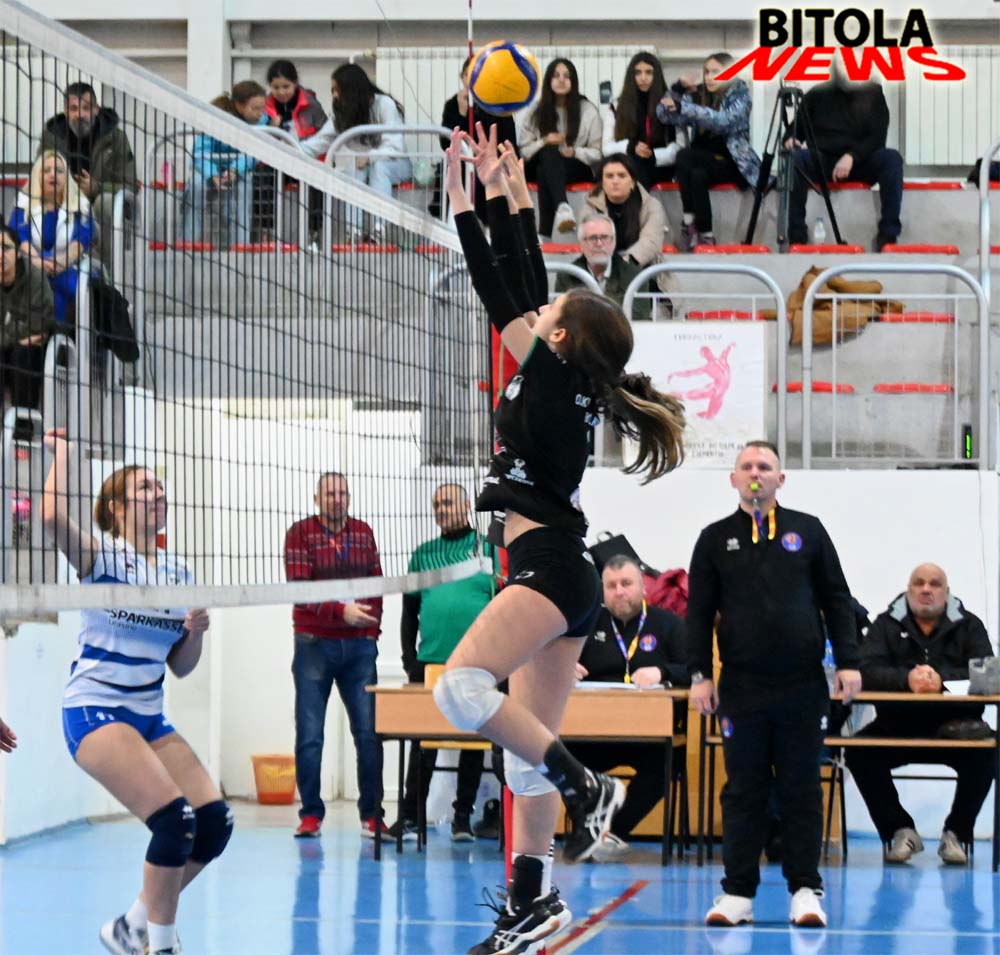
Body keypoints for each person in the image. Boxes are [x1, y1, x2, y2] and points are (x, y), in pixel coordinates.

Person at [439, 123, 686, 954]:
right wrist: (506, 188)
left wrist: (465, 201)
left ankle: (585, 785)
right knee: (520, 755)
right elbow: (524, 284)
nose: (540, 308)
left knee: (460, 690)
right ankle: (534, 900)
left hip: (548, 565)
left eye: (549, 316)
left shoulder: (548, 375)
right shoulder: (560, 377)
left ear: (558, 340)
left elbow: (499, 282)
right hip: (566, 571)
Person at [41, 430, 231, 955]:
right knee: (175, 821)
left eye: (159, 487)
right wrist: (66, 456)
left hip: (148, 714)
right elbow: (51, 518)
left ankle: (130, 925)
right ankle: (159, 946)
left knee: (213, 823)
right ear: (117, 507)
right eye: (144, 487)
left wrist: (195, 633)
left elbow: (181, 667)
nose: (158, 493)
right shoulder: (103, 557)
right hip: (96, 709)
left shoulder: (178, 572)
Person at [686, 440, 862, 929]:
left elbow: (837, 599)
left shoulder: (809, 531)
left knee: (801, 787)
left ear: (780, 479)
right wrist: (700, 674)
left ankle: (805, 890)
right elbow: (697, 614)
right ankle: (737, 893)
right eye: (746, 466)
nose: (755, 473)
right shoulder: (714, 538)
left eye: (765, 466)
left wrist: (848, 662)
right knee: (744, 790)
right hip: (742, 687)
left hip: (802, 685)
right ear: (733, 479)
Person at [846, 563, 995, 866]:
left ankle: (956, 834)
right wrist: (908, 680)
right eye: (919, 583)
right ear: (909, 590)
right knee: (858, 751)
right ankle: (900, 830)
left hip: (957, 728)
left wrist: (941, 681)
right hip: (895, 726)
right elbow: (866, 670)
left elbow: (986, 675)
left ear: (946, 592)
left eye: (935, 584)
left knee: (989, 752)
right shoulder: (885, 625)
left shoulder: (970, 625)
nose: (927, 589)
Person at [388, 483, 496, 843]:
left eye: (447, 502)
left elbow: (503, 605)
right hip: (430, 664)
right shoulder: (424, 554)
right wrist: (409, 660)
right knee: (423, 743)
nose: (441, 509)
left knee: (472, 741)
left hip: (477, 664)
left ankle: (462, 817)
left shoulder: (488, 550)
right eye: (436, 504)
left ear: (466, 506)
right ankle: (410, 816)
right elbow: (409, 612)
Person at [284, 471, 386, 840]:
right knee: (311, 734)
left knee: (369, 733)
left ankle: (372, 816)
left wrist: (371, 630)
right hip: (314, 643)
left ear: (349, 497)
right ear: (317, 499)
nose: (337, 499)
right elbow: (301, 590)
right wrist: (341, 612)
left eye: (342, 493)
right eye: (330, 494)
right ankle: (311, 814)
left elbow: (377, 583)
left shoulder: (363, 532)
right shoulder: (300, 533)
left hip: (360, 647)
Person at [568, 554, 689, 860]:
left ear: (643, 587)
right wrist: (565, 668)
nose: (619, 592)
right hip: (590, 734)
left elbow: (694, 670)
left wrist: (663, 672)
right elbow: (551, 660)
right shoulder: (586, 624)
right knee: (556, 756)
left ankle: (615, 833)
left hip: (648, 738)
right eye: (611, 586)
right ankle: (587, 829)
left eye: (626, 583)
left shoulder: (668, 625)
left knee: (667, 762)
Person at [787, 67, 903, 252]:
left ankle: (888, 234)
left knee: (892, 159)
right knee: (796, 159)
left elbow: (877, 137)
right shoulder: (817, 94)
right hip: (824, 161)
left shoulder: (873, 94)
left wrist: (852, 156)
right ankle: (797, 236)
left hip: (861, 162)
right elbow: (795, 130)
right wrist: (790, 139)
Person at [657, 53, 761, 250]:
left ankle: (688, 222)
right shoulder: (697, 95)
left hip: (732, 162)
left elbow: (724, 122)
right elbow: (663, 116)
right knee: (697, 176)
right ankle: (706, 235)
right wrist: (677, 89)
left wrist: (685, 107)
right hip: (702, 162)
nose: (710, 77)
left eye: (717, 72)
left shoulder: (741, 94)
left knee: (684, 155)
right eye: (707, 72)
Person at [300, 64, 411, 243]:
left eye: (338, 90)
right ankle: (353, 232)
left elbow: (395, 146)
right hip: (360, 166)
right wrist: (288, 148)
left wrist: (370, 157)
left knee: (379, 167)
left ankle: (379, 230)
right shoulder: (342, 113)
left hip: (395, 164)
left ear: (352, 90)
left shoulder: (384, 104)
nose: (335, 95)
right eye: (333, 90)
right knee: (353, 169)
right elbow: (319, 142)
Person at [38, 82, 138, 267]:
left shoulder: (116, 138)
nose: (80, 115)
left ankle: (108, 274)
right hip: (62, 204)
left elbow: (131, 185)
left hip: (101, 210)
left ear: (96, 110)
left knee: (104, 202)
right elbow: (38, 178)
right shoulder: (51, 137)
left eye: (86, 108)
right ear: (65, 111)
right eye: (74, 109)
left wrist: (97, 187)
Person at [9, 150, 93, 328]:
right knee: (47, 287)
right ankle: (57, 336)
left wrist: (61, 261)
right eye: (46, 170)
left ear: (67, 177)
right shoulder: (23, 204)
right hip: (32, 270)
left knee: (70, 289)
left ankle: (61, 335)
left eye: (59, 171)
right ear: (37, 175)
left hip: (69, 267)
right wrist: (38, 262)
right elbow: (20, 238)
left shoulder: (81, 205)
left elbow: (81, 240)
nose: (53, 175)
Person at [519, 58, 602, 237]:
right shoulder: (536, 111)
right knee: (547, 154)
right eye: (556, 76)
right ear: (549, 80)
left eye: (567, 76)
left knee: (544, 171)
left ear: (574, 81)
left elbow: (597, 153)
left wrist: (575, 152)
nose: (561, 80)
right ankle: (563, 207)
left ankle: (544, 234)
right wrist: (544, 141)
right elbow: (524, 151)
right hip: (541, 162)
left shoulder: (587, 110)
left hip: (575, 165)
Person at [431, 54, 519, 222]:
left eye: (478, 74)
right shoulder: (453, 104)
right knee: (451, 167)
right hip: (465, 161)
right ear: (462, 77)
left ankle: (486, 219)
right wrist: (462, 114)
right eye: (468, 75)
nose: (473, 80)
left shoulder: (499, 104)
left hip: (492, 162)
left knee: (488, 171)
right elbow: (446, 143)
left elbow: (508, 142)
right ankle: (453, 219)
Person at [182, 81, 268, 248]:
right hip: (209, 168)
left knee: (244, 187)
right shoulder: (215, 118)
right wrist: (212, 174)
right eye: (255, 108)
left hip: (238, 170)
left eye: (262, 108)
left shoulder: (262, 124)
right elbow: (200, 152)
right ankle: (187, 244)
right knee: (196, 185)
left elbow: (253, 153)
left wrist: (235, 170)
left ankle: (240, 246)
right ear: (239, 105)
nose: (260, 113)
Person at [264, 59, 328, 244]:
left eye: (286, 86)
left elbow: (325, 134)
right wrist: (271, 127)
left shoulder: (312, 105)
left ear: (295, 83)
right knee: (264, 178)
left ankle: (313, 233)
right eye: (276, 87)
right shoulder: (265, 106)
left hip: (307, 159)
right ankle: (267, 231)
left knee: (315, 182)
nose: (281, 92)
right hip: (278, 161)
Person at [603, 51, 681, 189]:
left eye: (649, 72)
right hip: (626, 163)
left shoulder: (669, 104)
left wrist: (653, 155)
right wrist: (631, 147)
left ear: (656, 75)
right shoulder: (617, 105)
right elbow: (606, 148)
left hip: (660, 164)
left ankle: (637, 202)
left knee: (639, 168)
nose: (643, 78)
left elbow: (680, 146)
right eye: (638, 73)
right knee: (626, 168)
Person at [553, 213, 651, 320]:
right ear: (581, 244)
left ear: (614, 241)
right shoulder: (567, 275)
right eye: (592, 238)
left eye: (604, 237)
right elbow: (562, 317)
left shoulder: (634, 275)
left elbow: (640, 316)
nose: (599, 244)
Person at [0, 222, 56, 409]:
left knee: (23, 354)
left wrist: (10, 336)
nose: (0, 254)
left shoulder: (36, 279)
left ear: (17, 252)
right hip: (9, 347)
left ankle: (23, 423)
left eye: (5, 247)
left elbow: (38, 328)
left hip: (32, 353)